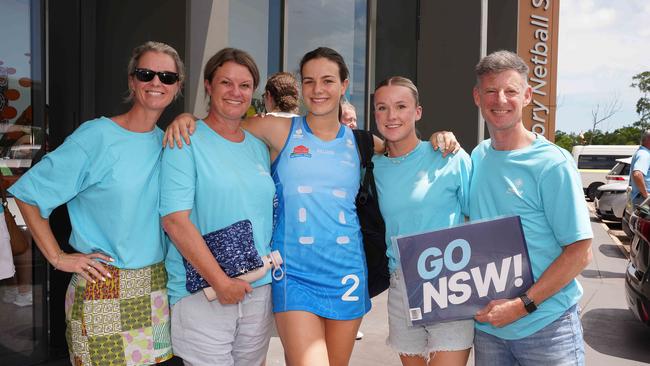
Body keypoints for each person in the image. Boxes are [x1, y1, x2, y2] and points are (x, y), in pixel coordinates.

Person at [163, 46, 459, 366]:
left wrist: (439, 138)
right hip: (293, 274)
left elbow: (403, 147)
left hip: (347, 275)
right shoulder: (276, 129)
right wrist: (186, 119)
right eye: (309, 81)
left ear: (344, 86)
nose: (318, 90)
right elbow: (221, 125)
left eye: (328, 81)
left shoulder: (362, 142)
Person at [8, 41, 183, 365]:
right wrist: (58, 257)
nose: (156, 82)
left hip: (155, 289)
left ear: (177, 86)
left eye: (167, 77)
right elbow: (28, 193)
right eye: (146, 74)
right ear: (132, 81)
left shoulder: (170, 142)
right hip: (102, 285)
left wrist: (189, 119)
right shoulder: (97, 136)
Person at [469, 50, 593, 365]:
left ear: (526, 96)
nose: (500, 99)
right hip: (490, 330)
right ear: (477, 97)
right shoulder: (477, 157)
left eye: (511, 90)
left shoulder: (552, 163)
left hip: (547, 329)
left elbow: (580, 253)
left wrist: (522, 305)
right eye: (491, 91)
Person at [160, 47, 276, 366]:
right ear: (208, 86)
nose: (235, 92)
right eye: (226, 82)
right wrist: (220, 282)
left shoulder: (258, 148)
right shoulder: (185, 139)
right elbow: (174, 221)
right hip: (204, 291)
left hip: (258, 287)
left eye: (245, 85)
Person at [371, 76, 473, 366]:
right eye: (382, 108)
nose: (391, 116)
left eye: (401, 106)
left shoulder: (448, 156)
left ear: (417, 112)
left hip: (450, 281)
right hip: (401, 284)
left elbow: (479, 216)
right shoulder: (371, 167)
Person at [629, 131, 650, 205]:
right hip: (644, 199)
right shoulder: (644, 154)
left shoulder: (643, 153)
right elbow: (637, 174)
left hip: (641, 198)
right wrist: (646, 195)